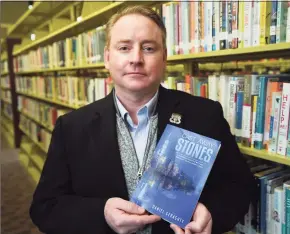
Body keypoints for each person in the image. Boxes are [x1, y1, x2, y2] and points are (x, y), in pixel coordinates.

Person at [30, 5, 257, 234]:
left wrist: (210, 213)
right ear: (107, 58)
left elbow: (239, 186)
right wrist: (102, 213)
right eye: (124, 47)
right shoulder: (72, 128)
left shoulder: (205, 115)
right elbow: (45, 207)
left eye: (148, 48)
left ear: (164, 58)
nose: (136, 59)